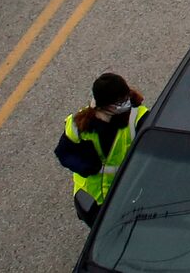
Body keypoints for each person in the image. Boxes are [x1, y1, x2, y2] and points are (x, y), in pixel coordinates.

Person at [56, 73, 146, 225]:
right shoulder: (79, 124)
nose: (124, 103)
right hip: (91, 201)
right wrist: (85, 166)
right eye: (118, 101)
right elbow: (63, 153)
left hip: (126, 196)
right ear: (104, 105)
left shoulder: (139, 118)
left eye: (124, 98)